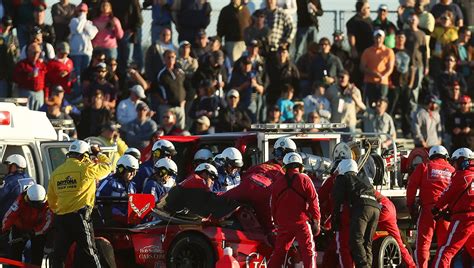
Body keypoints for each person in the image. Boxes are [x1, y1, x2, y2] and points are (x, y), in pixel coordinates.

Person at [47, 140, 111, 267]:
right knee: (90, 252)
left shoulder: (56, 173)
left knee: (58, 255)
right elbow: (108, 166)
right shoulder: (87, 169)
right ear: (84, 156)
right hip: (80, 218)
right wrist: (98, 153)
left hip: (61, 219)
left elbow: (51, 200)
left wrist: (59, 210)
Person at [268, 152, 320, 268]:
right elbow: (313, 201)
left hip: (283, 224)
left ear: (285, 167)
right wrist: (316, 221)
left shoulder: (278, 183)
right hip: (301, 223)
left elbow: (273, 205)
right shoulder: (305, 179)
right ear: (300, 166)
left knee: (279, 253)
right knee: (308, 252)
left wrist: (276, 223)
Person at [406, 145, 454, 268]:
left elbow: (411, 187)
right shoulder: (452, 170)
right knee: (444, 246)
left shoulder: (424, 167)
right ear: (446, 157)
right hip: (446, 213)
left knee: (423, 244)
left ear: (430, 156)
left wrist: (411, 207)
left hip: (428, 210)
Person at [333, 159, 380, 267]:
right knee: (367, 243)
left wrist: (335, 217)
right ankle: (367, 265)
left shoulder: (342, 178)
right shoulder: (364, 179)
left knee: (356, 241)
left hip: (362, 208)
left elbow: (337, 199)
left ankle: (363, 266)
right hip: (375, 208)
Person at [431, 147, 474, 267]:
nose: (454, 166)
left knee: (445, 250)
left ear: (462, 161)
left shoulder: (461, 176)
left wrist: (437, 208)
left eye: (455, 162)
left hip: (464, 218)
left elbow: (448, 193)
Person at [2, 184, 52, 266]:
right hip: (20, 227)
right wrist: (5, 230)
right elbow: (10, 215)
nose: (35, 207)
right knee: (15, 252)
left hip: (38, 230)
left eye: (38, 205)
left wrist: (34, 232)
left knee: (37, 253)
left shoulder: (49, 204)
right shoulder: (20, 200)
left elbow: (47, 222)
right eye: (33, 204)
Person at [375, 191, 416, 267]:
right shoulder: (364, 184)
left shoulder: (354, 185)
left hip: (381, 208)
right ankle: (412, 265)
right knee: (399, 243)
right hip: (389, 206)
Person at [96, 155, 138, 224]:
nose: (133, 174)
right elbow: (98, 200)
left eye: (135, 171)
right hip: (110, 223)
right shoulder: (109, 182)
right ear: (121, 169)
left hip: (128, 222)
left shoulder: (132, 186)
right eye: (131, 171)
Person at [360, 29, 395, 106]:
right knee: (369, 104)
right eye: (376, 37)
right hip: (369, 82)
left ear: (383, 38)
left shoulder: (389, 52)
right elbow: (362, 67)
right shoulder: (367, 51)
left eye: (380, 38)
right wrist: (373, 73)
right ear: (373, 38)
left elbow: (390, 68)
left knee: (381, 104)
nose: (378, 40)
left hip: (383, 82)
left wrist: (383, 76)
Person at [155, 50, 186, 129]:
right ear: (164, 59)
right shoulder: (161, 74)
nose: (171, 59)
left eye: (172, 57)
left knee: (180, 130)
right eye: (168, 57)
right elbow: (154, 90)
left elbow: (187, 86)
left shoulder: (180, 72)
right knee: (166, 129)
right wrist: (162, 101)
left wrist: (184, 100)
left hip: (180, 106)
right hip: (167, 106)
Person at [346, 0, 373, 87]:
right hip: (360, 53)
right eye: (367, 8)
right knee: (358, 77)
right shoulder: (353, 21)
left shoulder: (369, 20)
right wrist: (353, 49)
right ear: (362, 9)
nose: (369, 10)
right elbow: (351, 36)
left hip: (370, 53)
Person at [13, 43, 47, 111]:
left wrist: (46, 95)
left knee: (39, 114)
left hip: (39, 94)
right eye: (33, 52)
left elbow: (46, 81)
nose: (36, 54)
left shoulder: (42, 65)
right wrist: (28, 75)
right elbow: (16, 79)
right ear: (28, 52)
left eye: (38, 52)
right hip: (26, 93)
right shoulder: (22, 64)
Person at [69, 3, 98, 79]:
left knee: (85, 75)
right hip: (75, 52)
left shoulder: (89, 23)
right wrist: (83, 19)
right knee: (76, 75)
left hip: (87, 53)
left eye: (84, 11)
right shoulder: (73, 21)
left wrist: (85, 25)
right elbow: (78, 30)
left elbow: (91, 34)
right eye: (80, 11)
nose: (82, 13)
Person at [0, 155, 33, 220]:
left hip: (8, 217)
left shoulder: (9, 181)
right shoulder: (30, 179)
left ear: (14, 166)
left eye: (8, 165)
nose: (7, 167)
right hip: (25, 216)